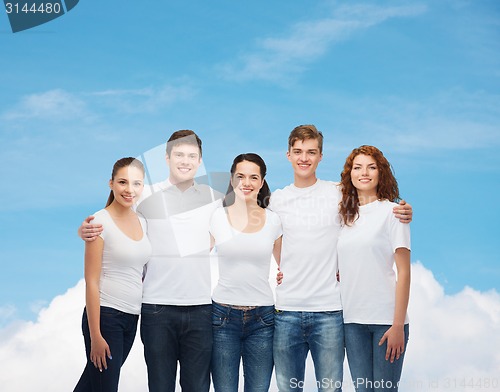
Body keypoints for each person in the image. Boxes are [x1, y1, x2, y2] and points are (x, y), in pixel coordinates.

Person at [270, 125, 412, 392]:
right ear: (288, 155)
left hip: (331, 312)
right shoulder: (276, 199)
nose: (304, 157)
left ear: (321, 156)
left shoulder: (339, 194)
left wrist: (404, 208)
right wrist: (283, 266)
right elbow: (267, 234)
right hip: (291, 311)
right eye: (298, 151)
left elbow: (374, 205)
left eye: (311, 152)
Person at [79, 130, 223, 392]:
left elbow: (249, 221)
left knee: (198, 387)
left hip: (200, 307)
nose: (185, 160)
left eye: (192, 155)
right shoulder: (143, 194)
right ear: (166, 158)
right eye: (179, 154)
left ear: (200, 161)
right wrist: (84, 230)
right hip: (156, 309)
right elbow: (112, 216)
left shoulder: (215, 198)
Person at [74, 157, 152, 392]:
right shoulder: (99, 222)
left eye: (136, 184)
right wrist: (96, 335)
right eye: (122, 182)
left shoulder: (143, 222)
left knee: (92, 385)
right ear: (111, 183)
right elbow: (91, 281)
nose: (129, 190)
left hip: (132, 317)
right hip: (106, 317)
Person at [337, 146, 411, 392]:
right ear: (350, 174)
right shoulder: (343, 217)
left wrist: (398, 325)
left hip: (386, 321)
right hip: (351, 322)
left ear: (381, 173)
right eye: (357, 167)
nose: (364, 173)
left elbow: (404, 272)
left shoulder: (393, 212)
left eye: (371, 167)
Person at [209, 153, 282, 392]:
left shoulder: (274, 221)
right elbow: (190, 259)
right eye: (240, 176)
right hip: (222, 318)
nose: (246, 183)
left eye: (253, 177)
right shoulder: (217, 217)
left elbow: (289, 266)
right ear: (231, 180)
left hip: (263, 320)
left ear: (261, 183)